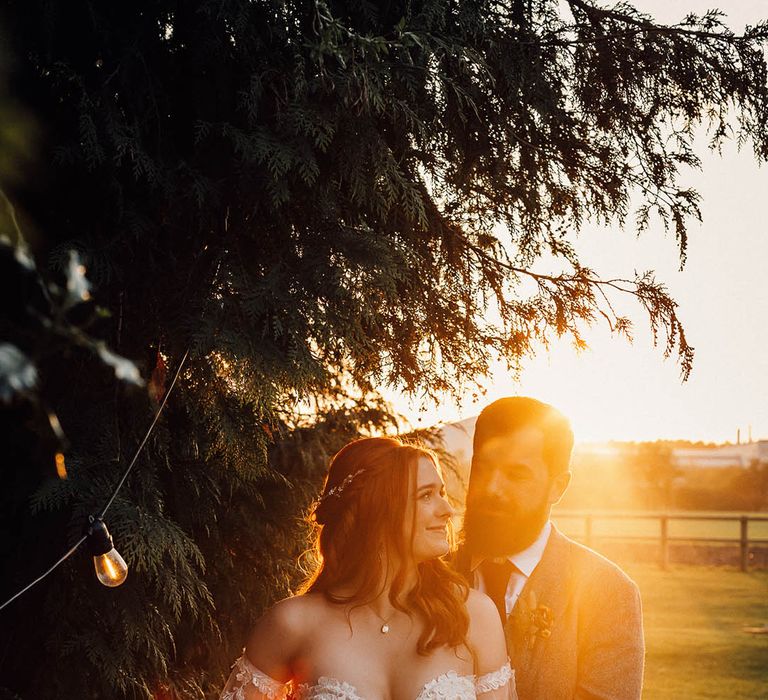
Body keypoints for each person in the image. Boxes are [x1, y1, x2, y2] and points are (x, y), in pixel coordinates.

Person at [220, 437, 517, 700]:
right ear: (378, 509)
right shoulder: (293, 624)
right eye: (426, 495)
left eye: (442, 493)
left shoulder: (473, 617)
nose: (447, 509)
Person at [457, 397, 645, 700]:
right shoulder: (430, 574)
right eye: (482, 468)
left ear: (558, 487)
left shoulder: (609, 592)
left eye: (516, 475)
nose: (491, 488)